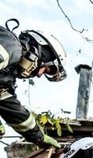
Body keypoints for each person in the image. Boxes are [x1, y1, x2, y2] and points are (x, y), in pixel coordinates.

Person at [0, 20, 66, 149]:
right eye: (46, 69)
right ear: (40, 52)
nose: (39, 74)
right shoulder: (10, 46)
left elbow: (13, 111)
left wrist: (39, 137)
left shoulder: (5, 79)